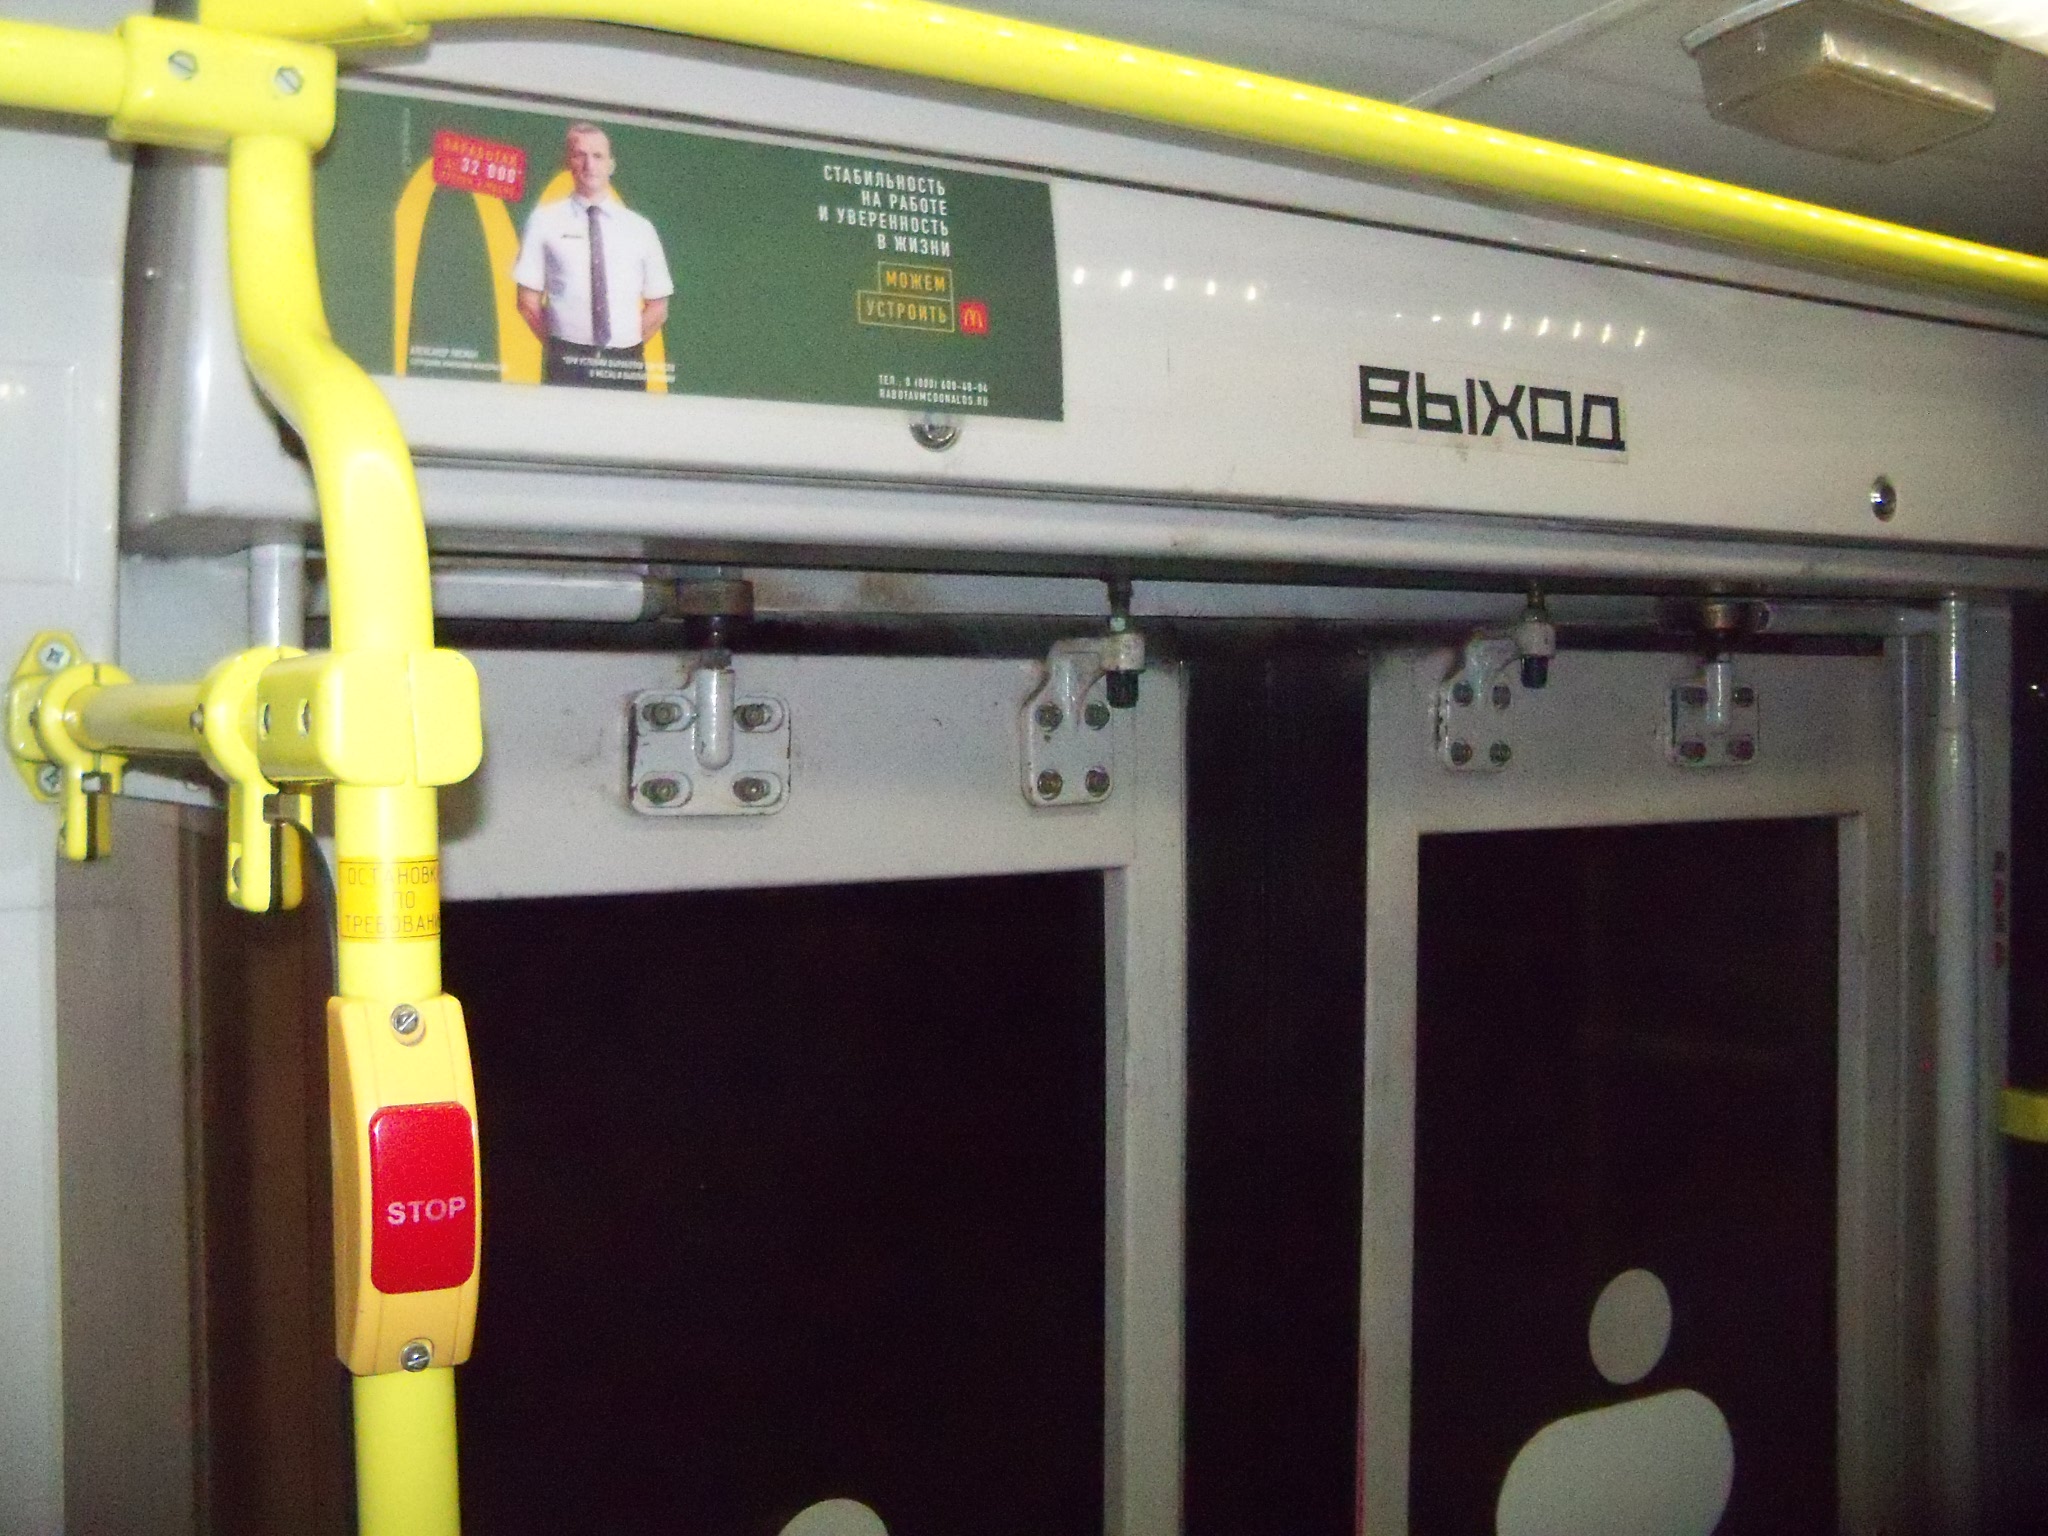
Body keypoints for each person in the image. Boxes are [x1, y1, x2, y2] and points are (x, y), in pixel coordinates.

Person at [513, 122, 673, 390]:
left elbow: (658, 307)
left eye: (598, 156)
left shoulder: (640, 228)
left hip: (625, 361)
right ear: (568, 162)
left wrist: (619, 350)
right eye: (580, 155)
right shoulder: (544, 221)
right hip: (566, 360)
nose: (590, 165)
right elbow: (527, 301)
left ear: (611, 164)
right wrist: (563, 349)